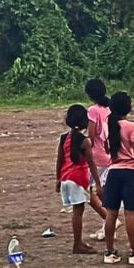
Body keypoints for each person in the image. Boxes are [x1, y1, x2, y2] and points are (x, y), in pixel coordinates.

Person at [98, 92, 134, 266]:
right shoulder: (131, 126)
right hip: (129, 172)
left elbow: (107, 149)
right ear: (128, 108)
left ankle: (110, 251)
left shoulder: (108, 126)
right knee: (130, 214)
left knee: (111, 213)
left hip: (113, 172)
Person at [56, 104, 105, 254]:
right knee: (78, 212)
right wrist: (97, 183)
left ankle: (79, 242)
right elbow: (91, 163)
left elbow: (60, 159)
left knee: (77, 211)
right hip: (78, 179)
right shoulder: (86, 141)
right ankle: (77, 244)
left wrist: (57, 179)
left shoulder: (64, 138)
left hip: (66, 177)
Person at [84, 79, 113, 241]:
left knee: (86, 190)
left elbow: (92, 136)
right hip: (108, 155)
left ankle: (109, 219)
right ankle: (109, 222)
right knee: (101, 189)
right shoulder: (108, 108)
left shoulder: (93, 111)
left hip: (96, 156)